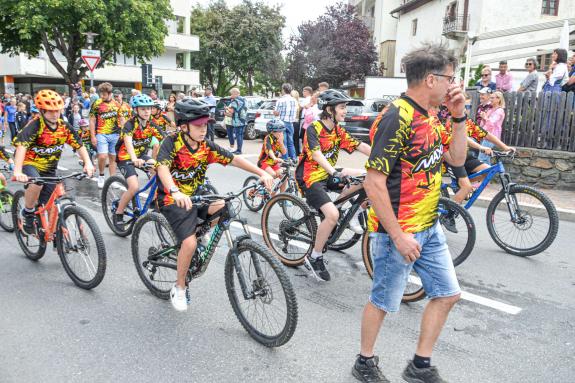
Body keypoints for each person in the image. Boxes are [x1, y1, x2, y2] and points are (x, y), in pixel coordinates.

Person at [352, 44, 468, 383]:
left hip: (429, 227)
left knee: (447, 294)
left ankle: (419, 365)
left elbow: (457, 159)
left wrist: (459, 115)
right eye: (450, 78)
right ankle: (364, 361)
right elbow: (374, 183)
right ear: (431, 79)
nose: (453, 84)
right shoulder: (396, 116)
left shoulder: (432, 115)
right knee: (384, 300)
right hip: (397, 232)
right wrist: (399, 236)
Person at [155, 98, 273, 311]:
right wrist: (174, 190)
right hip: (173, 199)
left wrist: (261, 172)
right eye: (198, 125)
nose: (204, 129)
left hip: (198, 194)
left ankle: (196, 233)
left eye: (206, 124)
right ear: (184, 126)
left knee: (222, 206)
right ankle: (180, 287)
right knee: (189, 244)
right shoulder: (171, 143)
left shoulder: (205, 146)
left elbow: (233, 159)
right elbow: (162, 168)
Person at [296, 89, 371, 281]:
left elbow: (359, 146)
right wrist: (335, 173)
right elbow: (316, 154)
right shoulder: (314, 128)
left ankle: (341, 212)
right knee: (332, 216)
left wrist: (386, 159)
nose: (346, 111)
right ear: (329, 109)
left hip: (329, 172)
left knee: (367, 176)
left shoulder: (338, 130)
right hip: (311, 177)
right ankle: (314, 257)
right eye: (342, 107)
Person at [11, 90, 94, 234]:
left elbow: (79, 145)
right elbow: (21, 147)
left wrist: (88, 163)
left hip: (50, 168)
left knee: (48, 201)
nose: (55, 114)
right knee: (37, 183)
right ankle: (28, 212)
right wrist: (17, 171)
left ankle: (54, 234)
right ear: (42, 111)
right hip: (30, 163)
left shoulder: (64, 127)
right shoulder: (35, 125)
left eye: (57, 110)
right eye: (50, 111)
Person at [439, 106, 514, 205]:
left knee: (488, 171)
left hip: (466, 156)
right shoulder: (450, 121)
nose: (466, 109)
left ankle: (461, 183)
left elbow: (486, 135)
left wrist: (505, 147)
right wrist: (481, 147)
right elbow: (463, 137)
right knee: (465, 189)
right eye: (464, 106)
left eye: (468, 106)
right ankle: (449, 215)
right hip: (452, 158)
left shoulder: (468, 122)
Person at [112, 94, 165, 230]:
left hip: (141, 155)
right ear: (136, 110)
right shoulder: (130, 124)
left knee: (159, 170)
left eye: (149, 108)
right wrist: (134, 159)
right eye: (143, 109)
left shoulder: (151, 124)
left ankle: (153, 200)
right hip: (125, 157)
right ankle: (119, 213)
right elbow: (128, 142)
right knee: (134, 186)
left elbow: (164, 140)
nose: (147, 111)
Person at [89, 82, 124, 188]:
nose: (102, 96)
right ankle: (101, 175)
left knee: (113, 158)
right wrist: (93, 136)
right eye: (101, 94)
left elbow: (122, 119)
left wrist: (124, 133)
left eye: (104, 94)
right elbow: (92, 120)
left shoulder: (117, 104)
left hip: (115, 134)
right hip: (101, 134)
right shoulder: (97, 103)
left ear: (110, 93)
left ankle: (112, 180)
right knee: (103, 156)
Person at [257, 119, 287, 194]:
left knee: (284, 177)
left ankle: (282, 197)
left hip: (273, 163)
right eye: (279, 131)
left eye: (282, 131)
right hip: (264, 162)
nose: (281, 133)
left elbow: (284, 152)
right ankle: (258, 186)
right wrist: (275, 158)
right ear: (272, 132)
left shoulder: (279, 139)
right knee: (273, 174)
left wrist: (281, 143)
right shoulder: (268, 138)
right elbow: (269, 150)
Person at [478, 91, 505, 164]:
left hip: (492, 137)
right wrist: (483, 118)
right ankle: (488, 175)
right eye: (490, 98)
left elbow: (491, 123)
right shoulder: (490, 110)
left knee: (482, 158)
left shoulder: (500, 111)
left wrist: (485, 117)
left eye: (492, 98)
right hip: (486, 136)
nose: (490, 99)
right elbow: (484, 124)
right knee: (485, 158)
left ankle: (486, 175)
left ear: (498, 99)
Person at [274, 83, 298, 160]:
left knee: (283, 142)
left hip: (282, 123)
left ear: (283, 90)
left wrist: (274, 112)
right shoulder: (294, 100)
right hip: (291, 123)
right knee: (291, 142)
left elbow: (277, 113)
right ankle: (293, 158)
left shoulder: (280, 100)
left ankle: (285, 159)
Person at [227, 88, 246, 154]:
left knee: (238, 136)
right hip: (243, 120)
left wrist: (227, 108)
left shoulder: (235, 101)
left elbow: (232, 111)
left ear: (235, 94)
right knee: (240, 135)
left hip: (237, 120)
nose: (231, 95)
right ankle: (239, 149)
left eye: (231, 94)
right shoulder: (243, 100)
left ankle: (239, 150)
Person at [291, 89, 302, 156]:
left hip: (293, 122)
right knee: (296, 139)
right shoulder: (299, 104)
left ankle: (292, 153)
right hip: (297, 123)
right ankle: (297, 152)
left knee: (291, 139)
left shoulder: (293, 104)